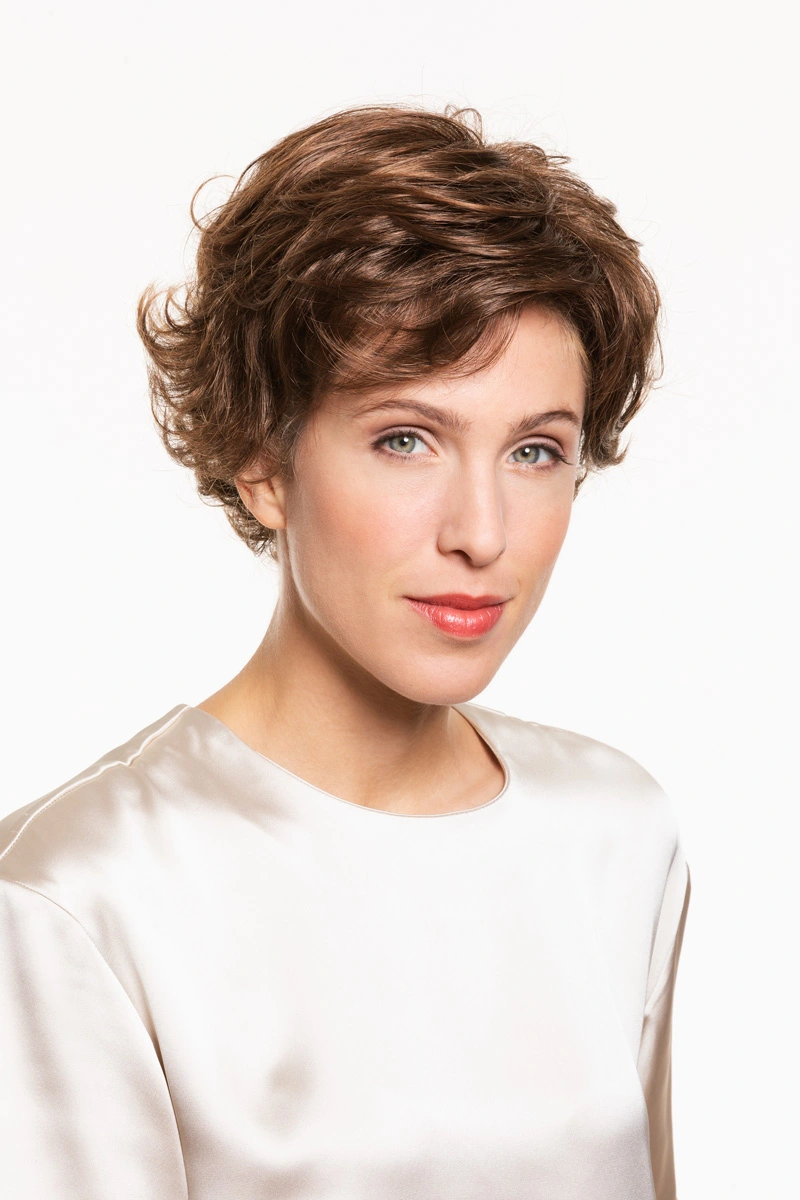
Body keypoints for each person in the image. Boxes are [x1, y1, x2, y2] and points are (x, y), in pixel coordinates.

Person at [0, 104, 691, 1199]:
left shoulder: (615, 832)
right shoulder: (80, 894)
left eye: (534, 450)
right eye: (405, 439)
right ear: (260, 459)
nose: (481, 534)